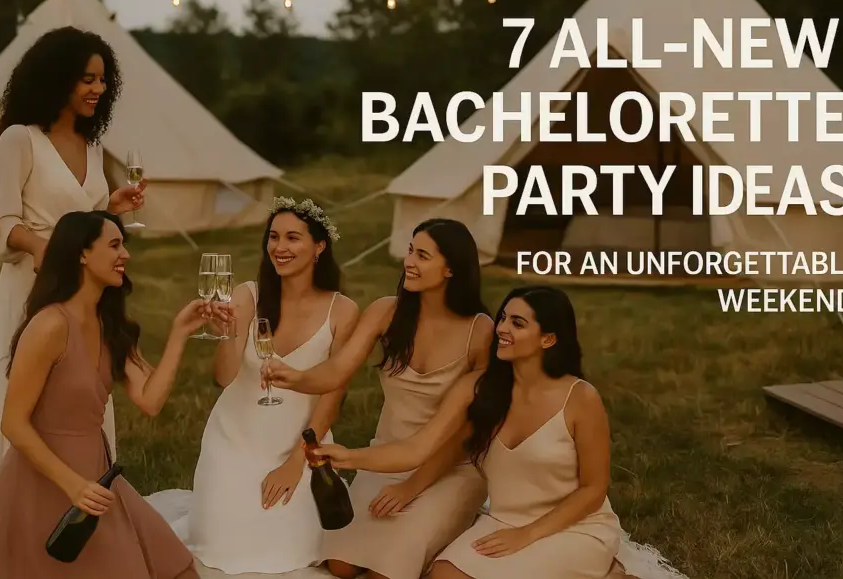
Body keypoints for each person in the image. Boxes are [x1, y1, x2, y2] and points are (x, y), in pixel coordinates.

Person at [0, 210, 219, 578]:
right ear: (82, 253)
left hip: (97, 477)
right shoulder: (49, 325)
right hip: (43, 478)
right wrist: (73, 485)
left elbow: (150, 401)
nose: (125, 255)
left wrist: (180, 334)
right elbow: (13, 424)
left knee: (181, 571)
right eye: (114, 245)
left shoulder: (110, 325)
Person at [310, 285, 634, 579]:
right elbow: (420, 448)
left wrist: (528, 534)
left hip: (572, 528)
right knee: (441, 576)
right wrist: (349, 458)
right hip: (504, 522)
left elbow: (593, 490)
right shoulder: (481, 390)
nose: (502, 329)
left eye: (518, 324)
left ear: (548, 339)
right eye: (503, 318)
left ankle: (610, 573)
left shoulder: (579, 398)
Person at [264, 218, 494, 579]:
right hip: (384, 456)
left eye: (423, 255)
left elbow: (467, 436)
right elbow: (338, 370)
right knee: (339, 565)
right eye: (410, 251)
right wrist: (297, 378)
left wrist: (411, 488)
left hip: (450, 468)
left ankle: (450, 533)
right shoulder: (387, 311)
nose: (409, 262)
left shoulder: (481, 331)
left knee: (384, 575)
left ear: (450, 268)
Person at [0, 26, 146, 478]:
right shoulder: (18, 140)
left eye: (103, 80)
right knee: (33, 389)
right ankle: (11, 507)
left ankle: (81, 480)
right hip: (34, 283)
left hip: (84, 292)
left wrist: (110, 208)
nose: (98, 89)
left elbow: (82, 219)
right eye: (87, 79)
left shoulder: (93, 144)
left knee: (79, 388)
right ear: (56, 78)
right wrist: (39, 245)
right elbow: (2, 221)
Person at [146, 197, 360, 574]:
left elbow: (333, 396)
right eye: (273, 237)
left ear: (319, 246)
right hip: (234, 440)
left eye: (293, 238)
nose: (280, 247)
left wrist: (298, 463)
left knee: (295, 548)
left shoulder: (342, 311)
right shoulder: (248, 295)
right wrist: (226, 334)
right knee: (225, 546)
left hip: (300, 443)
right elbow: (223, 377)